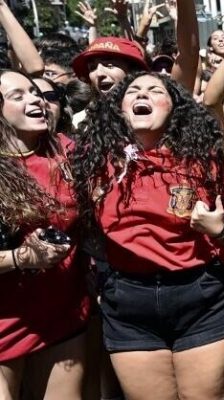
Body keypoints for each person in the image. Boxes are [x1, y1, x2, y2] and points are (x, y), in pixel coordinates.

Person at [70, 72, 224, 399]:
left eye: (155, 90)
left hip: (203, 294)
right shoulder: (93, 163)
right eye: (133, 91)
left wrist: (222, 229)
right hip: (128, 300)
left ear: (174, 108)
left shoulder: (204, 159)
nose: (142, 94)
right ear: (119, 107)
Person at [0, 69, 88, 399]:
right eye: (18, 95)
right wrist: (21, 258)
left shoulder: (66, 152)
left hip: (60, 314)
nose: (35, 98)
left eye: (35, 92)